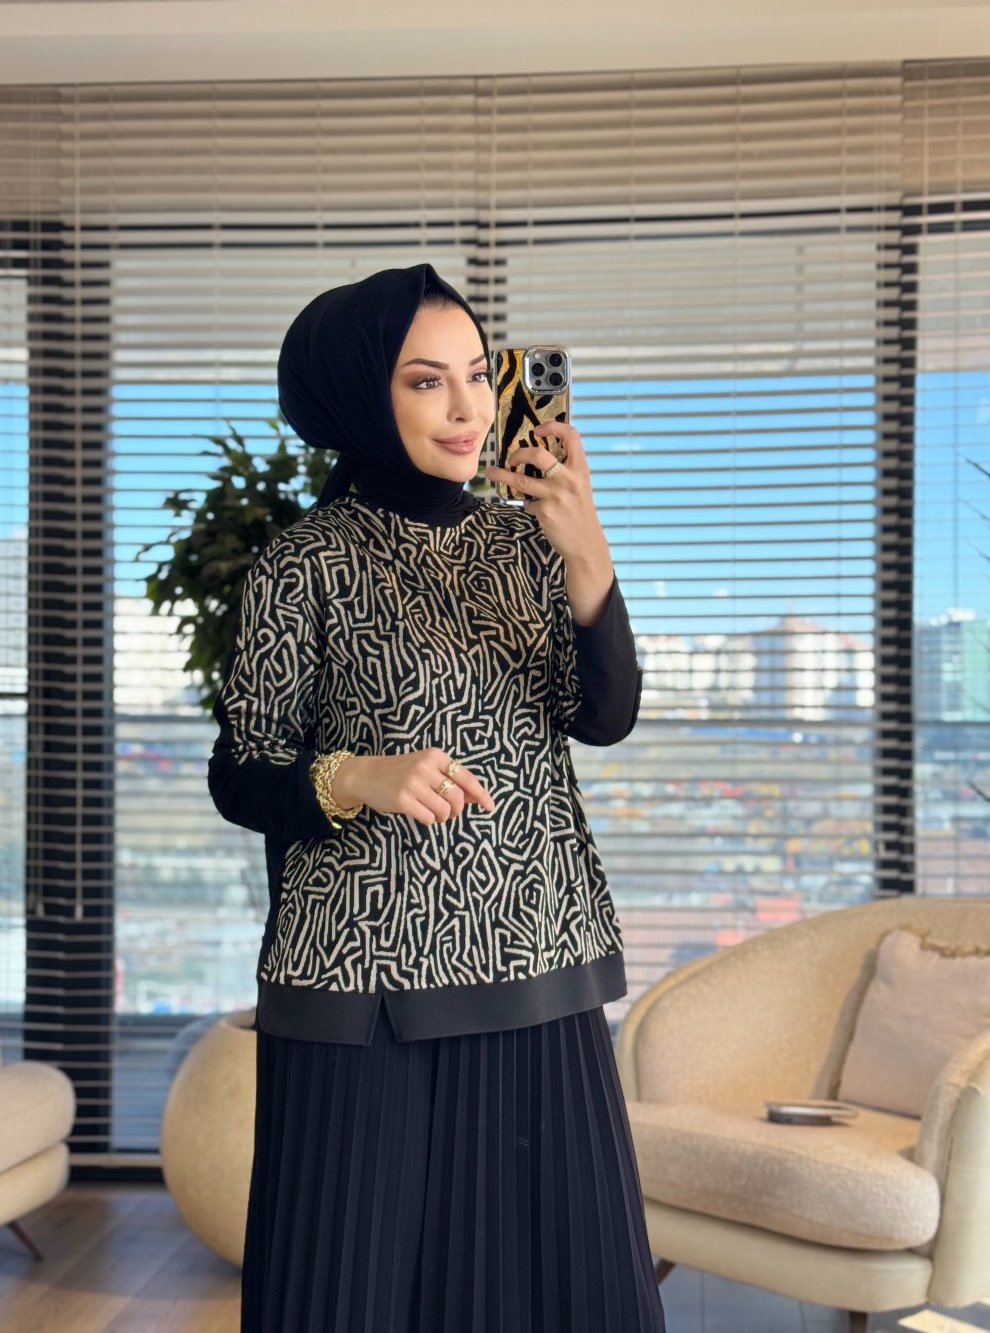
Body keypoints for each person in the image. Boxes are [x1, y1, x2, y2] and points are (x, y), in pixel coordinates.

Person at [207, 262, 666, 1333]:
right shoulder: (303, 562)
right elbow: (241, 770)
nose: (466, 408)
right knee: (346, 1290)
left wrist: (587, 553)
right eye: (425, 380)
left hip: (537, 956)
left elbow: (603, 716)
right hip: (361, 978)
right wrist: (355, 775)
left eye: (474, 374)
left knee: (569, 1297)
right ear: (360, 393)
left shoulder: (527, 541)